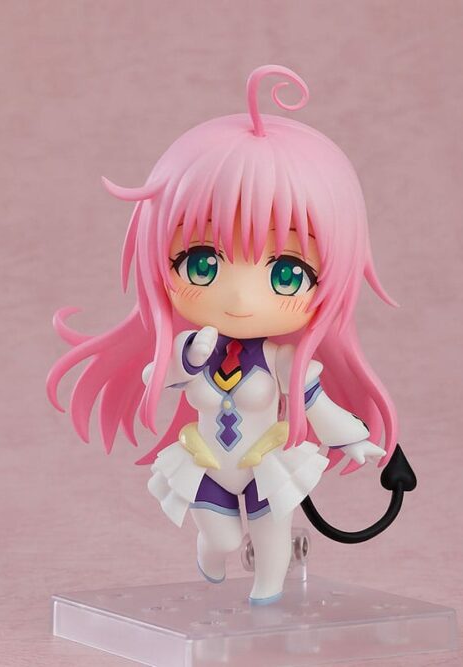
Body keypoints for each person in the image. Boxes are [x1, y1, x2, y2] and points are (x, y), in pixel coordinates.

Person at [47, 64, 397, 605]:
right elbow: (158, 376)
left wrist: (353, 437)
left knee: (271, 536)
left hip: (264, 460)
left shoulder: (282, 361)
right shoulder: (194, 352)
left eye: (287, 273)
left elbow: (317, 404)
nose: (239, 297)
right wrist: (187, 359)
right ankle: (212, 557)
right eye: (202, 263)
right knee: (223, 539)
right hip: (210, 461)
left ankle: (266, 600)